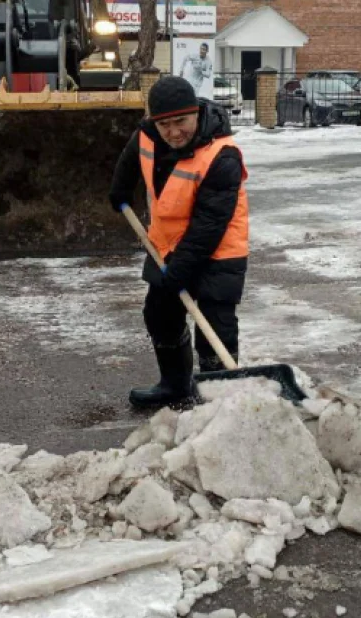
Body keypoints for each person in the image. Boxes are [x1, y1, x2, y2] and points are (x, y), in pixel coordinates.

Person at [109, 76, 249, 409]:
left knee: (215, 322)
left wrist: (181, 269)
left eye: (181, 122)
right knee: (160, 313)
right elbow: (131, 159)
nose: (173, 132)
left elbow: (209, 225)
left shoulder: (222, 155)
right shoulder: (147, 134)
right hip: (166, 244)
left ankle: (218, 399)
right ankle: (175, 385)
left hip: (218, 248)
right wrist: (120, 188)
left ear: (195, 114)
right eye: (165, 124)